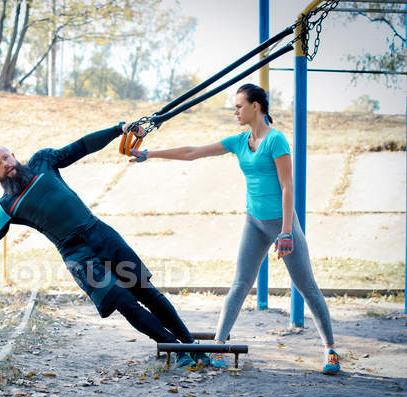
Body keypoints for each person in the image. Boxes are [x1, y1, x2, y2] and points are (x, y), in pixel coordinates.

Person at [0, 122, 205, 368]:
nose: (5, 164)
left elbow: (82, 146)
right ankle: (176, 349)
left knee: (146, 291)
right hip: (77, 256)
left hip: (100, 234)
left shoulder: (43, 162)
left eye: (6, 157)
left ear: (13, 154)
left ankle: (190, 344)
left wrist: (118, 129)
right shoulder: (6, 207)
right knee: (122, 300)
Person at [130, 83, 340, 375]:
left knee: (307, 288)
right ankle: (218, 346)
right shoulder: (240, 141)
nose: (235, 111)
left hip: (282, 225)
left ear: (256, 106)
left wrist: (287, 231)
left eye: (239, 106)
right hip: (254, 222)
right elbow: (193, 152)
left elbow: (287, 185)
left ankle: (330, 350)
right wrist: (149, 154)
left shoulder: (276, 140)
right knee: (240, 284)